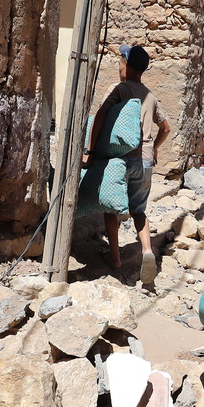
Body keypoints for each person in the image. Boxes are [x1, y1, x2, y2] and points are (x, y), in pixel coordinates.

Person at [84, 44, 170, 284]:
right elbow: (166, 128)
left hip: (122, 158)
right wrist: (154, 148)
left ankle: (115, 257)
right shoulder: (150, 96)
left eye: (120, 64)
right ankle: (147, 252)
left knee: (111, 208)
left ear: (128, 67)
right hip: (145, 161)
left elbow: (101, 115)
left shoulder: (120, 89)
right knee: (138, 210)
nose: (118, 67)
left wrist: (90, 150)